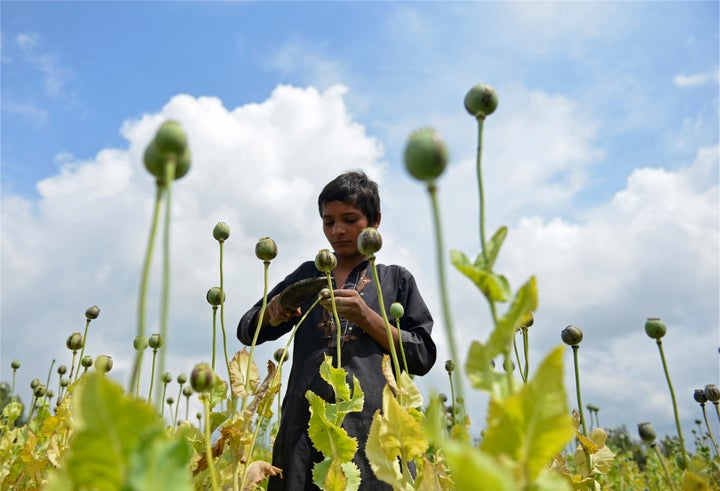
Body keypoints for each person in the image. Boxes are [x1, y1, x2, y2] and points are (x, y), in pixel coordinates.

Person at [237, 170, 436, 490]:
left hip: (374, 432)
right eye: (328, 221)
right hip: (303, 427)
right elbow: (247, 330)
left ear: (375, 221)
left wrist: (366, 316)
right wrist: (272, 313)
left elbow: (423, 355)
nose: (338, 230)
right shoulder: (307, 276)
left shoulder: (395, 280)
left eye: (350, 219)